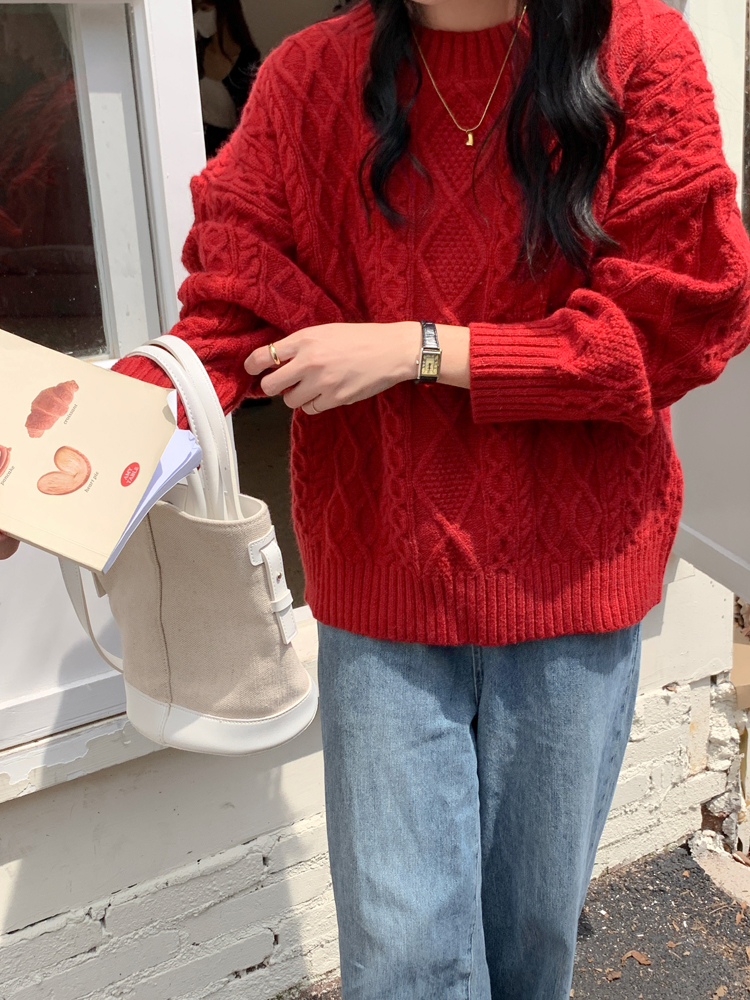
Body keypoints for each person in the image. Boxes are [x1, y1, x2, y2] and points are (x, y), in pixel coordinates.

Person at [4, 0, 750, 995]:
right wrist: (49, 465)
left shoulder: (641, 50)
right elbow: (227, 317)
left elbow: (676, 323)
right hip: (384, 586)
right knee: (405, 962)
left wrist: (419, 349)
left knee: (531, 949)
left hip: (573, 584)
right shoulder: (310, 79)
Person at [192, 0, 261, 158]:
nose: (198, 16)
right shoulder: (195, 55)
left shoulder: (247, 61)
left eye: (204, 8)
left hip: (231, 155)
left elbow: (252, 119)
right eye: (195, 10)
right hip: (198, 151)